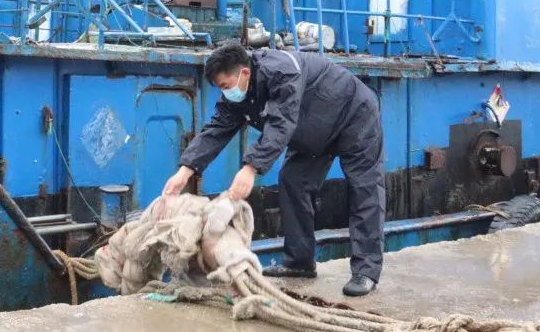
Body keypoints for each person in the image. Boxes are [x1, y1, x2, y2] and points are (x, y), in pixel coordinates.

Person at [162, 42, 384, 297]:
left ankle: (366, 271)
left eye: (225, 86)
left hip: (353, 116)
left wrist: (250, 168)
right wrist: (186, 169)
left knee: (364, 187)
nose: (225, 93)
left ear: (244, 73)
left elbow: (280, 123)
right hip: (312, 131)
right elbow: (217, 129)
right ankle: (299, 263)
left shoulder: (282, 71)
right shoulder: (238, 92)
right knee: (293, 181)